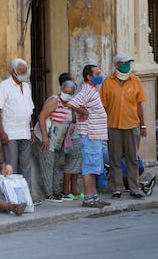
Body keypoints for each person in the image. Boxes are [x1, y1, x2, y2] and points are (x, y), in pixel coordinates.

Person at [100, 53, 147, 199]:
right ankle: (117, 188)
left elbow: (139, 105)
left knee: (132, 158)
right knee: (115, 158)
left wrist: (143, 125)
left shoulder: (135, 81)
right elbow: (103, 106)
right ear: (116, 65)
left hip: (132, 124)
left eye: (128, 62)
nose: (127, 65)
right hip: (113, 125)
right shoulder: (108, 82)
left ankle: (135, 188)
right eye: (124, 62)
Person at [66, 64, 111, 208]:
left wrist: (84, 111)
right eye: (97, 73)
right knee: (89, 167)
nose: (99, 75)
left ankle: (94, 196)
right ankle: (88, 198)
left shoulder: (92, 89)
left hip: (95, 135)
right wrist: (83, 112)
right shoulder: (86, 90)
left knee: (94, 167)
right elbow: (71, 103)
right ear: (89, 77)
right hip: (89, 134)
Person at [0, 58, 35, 194]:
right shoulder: (4, 86)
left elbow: (29, 110)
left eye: (25, 71)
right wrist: (2, 132)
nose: (24, 74)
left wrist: (31, 129)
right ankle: (13, 197)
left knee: (26, 166)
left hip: (25, 131)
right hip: (10, 132)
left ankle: (27, 195)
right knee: (11, 167)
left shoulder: (27, 87)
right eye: (22, 71)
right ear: (13, 72)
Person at [35, 79, 77, 202]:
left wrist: (73, 108)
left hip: (59, 139)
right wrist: (44, 136)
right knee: (47, 165)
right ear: (61, 90)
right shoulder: (54, 101)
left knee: (55, 165)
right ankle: (49, 193)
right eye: (65, 91)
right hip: (46, 136)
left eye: (70, 92)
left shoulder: (71, 104)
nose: (67, 94)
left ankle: (57, 191)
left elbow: (73, 120)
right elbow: (42, 116)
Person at [58, 73, 83, 200]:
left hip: (74, 135)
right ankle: (66, 191)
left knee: (76, 163)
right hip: (71, 136)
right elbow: (73, 118)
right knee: (71, 163)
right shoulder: (66, 100)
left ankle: (74, 189)